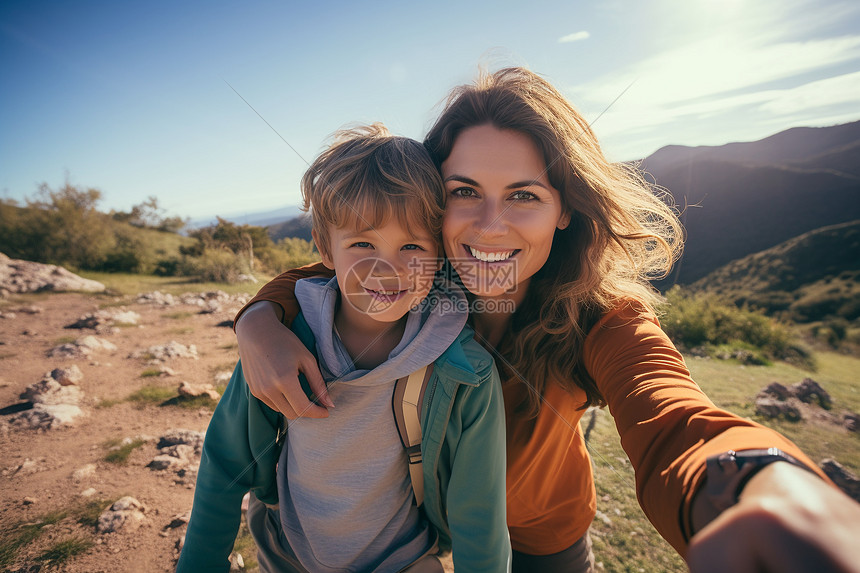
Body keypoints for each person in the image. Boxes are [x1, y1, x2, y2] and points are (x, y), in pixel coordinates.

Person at [233, 68, 860, 572]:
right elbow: (325, 277)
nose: (489, 225)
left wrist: (759, 488)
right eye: (464, 192)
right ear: (431, 206)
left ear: (565, 209)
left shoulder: (602, 317)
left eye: (524, 196)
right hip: (420, 528)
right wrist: (258, 320)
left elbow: (672, 415)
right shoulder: (417, 278)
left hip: (542, 533)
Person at [177, 124, 510, 573]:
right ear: (324, 248)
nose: (387, 269)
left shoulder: (467, 372)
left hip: (404, 560)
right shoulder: (280, 344)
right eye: (362, 244)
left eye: (412, 245)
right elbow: (224, 462)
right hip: (289, 553)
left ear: (439, 254)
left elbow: (480, 513)